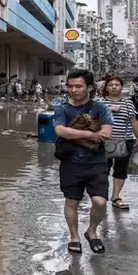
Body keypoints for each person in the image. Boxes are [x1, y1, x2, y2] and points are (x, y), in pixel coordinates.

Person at [53, 69, 113, 255]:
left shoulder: (100, 108)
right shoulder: (62, 108)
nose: (73, 90)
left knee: (100, 202)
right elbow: (60, 131)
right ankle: (74, 237)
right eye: (70, 86)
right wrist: (89, 134)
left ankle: (91, 231)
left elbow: (106, 134)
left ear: (89, 87)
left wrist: (75, 134)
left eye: (78, 86)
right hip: (70, 162)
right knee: (72, 201)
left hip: (97, 162)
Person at [99, 76, 138, 210]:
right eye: (111, 85)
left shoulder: (128, 102)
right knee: (102, 171)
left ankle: (116, 197)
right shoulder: (100, 103)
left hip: (125, 141)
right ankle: (101, 197)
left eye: (117, 84)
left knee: (121, 171)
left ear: (121, 87)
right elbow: (92, 119)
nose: (114, 87)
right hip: (104, 142)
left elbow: (133, 121)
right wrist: (109, 109)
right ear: (106, 87)